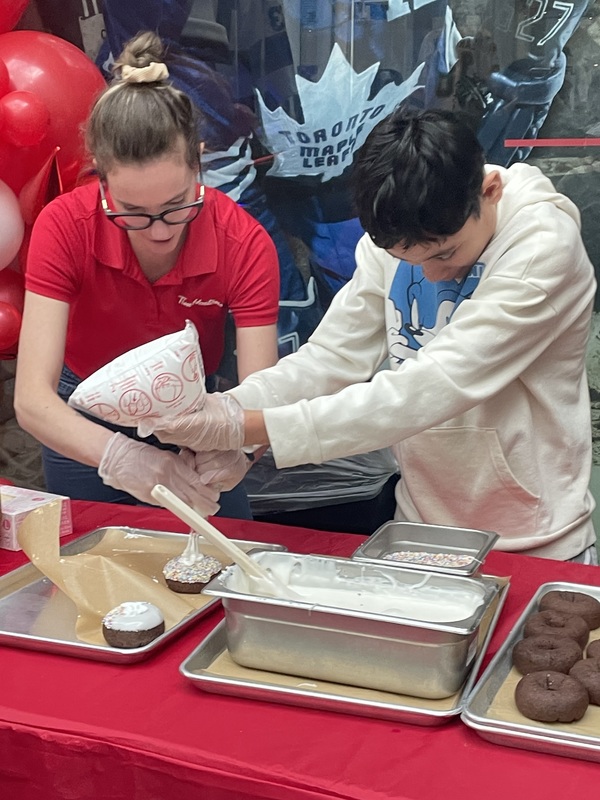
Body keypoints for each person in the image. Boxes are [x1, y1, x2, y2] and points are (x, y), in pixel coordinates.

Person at [139, 107, 598, 562]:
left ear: (490, 191)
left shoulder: (542, 250)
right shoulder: (399, 230)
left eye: (445, 254)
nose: (430, 275)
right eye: (409, 261)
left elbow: (432, 386)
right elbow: (332, 357)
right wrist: (231, 413)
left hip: (533, 537)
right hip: (419, 528)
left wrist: (254, 427)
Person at [14, 31, 280, 519]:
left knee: (224, 550)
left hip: (195, 414)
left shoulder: (243, 242)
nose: (159, 232)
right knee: (92, 550)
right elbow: (32, 399)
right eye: (132, 212)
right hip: (84, 414)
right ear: (101, 178)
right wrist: (120, 456)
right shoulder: (64, 225)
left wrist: (240, 449)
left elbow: (261, 395)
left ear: (199, 164)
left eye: (177, 205)